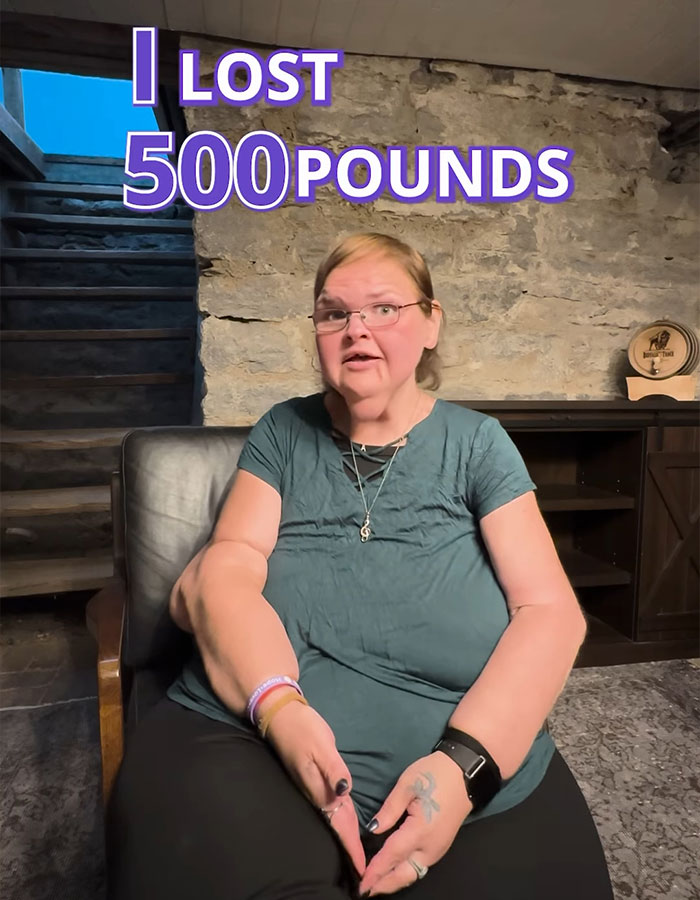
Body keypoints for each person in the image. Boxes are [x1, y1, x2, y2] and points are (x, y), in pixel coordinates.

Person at [106, 233, 615, 900]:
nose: (356, 330)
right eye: (333, 312)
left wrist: (463, 772)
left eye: (383, 308)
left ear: (431, 322)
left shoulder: (478, 444)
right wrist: (279, 710)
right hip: (243, 742)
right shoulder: (283, 432)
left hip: (468, 769)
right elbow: (224, 566)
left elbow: (550, 614)